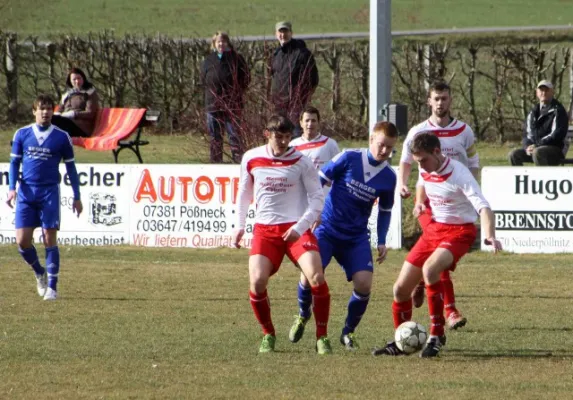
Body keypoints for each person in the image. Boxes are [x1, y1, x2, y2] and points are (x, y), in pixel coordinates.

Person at [373, 133, 502, 358]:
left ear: (436, 152)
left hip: (460, 232)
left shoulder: (459, 173)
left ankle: (436, 335)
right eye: (417, 162)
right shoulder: (425, 168)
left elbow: (483, 206)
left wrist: (489, 235)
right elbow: (422, 181)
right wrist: (421, 202)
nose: (420, 166)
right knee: (400, 290)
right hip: (433, 230)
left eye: (422, 160)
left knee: (430, 269)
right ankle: (401, 341)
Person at [288, 121, 398, 351]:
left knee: (364, 283)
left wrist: (381, 239)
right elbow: (319, 179)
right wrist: (314, 211)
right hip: (327, 229)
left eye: (389, 147)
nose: (385, 151)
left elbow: (385, 210)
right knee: (309, 276)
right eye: (381, 145)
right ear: (371, 140)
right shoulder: (348, 157)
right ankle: (302, 314)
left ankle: (348, 332)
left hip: (355, 237)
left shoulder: (389, 176)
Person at [232, 115, 332, 354]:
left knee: (317, 277)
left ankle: (322, 337)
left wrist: (300, 227)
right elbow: (244, 194)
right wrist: (239, 225)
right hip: (265, 231)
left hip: (296, 229)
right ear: (268, 134)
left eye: (288, 137)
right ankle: (268, 334)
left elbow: (318, 198)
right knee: (257, 282)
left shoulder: (302, 161)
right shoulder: (251, 157)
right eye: (279, 137)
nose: (284, 142)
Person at [398, 81, 480, 330]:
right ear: (429, 101)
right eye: (436, 98)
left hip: (455, 200)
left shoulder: (464, 131)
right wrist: (403, 185)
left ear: (450, 100)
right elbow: (405, 162)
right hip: (428, 201)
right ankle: (450, 310)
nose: (440, 103)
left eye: (444, 98)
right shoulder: (417, 131)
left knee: (436, 255)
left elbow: (474, 162)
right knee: (437, 250)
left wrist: (471, 190)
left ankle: (424, 282)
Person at [7, 94, 83, 301]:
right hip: (26, 192)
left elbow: (71, 168)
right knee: (22, 241)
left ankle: (52, 288)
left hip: (49, 192)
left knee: (49, 238)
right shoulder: (22, 134)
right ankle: (39, 272)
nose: (46, 112)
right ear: (34, 111)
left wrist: (77, 196)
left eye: (49, 108)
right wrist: (11, 188)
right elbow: (14, 163)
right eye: (42, 108)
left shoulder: (61, 136)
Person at [201, 31, 250, 164]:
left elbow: (245, 78)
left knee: (234, 135)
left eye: (223, 41)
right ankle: (216, 163)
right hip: (212, 105)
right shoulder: (209, 60)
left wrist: (236, 93)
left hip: (232, 104)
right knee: (215, 137)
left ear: (227, 43)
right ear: (214, 44)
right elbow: (203, 79)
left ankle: (238, 162)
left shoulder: (236, 59)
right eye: (218, 42)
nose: (221, 44)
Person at [271, 21, 319, 137]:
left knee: (296, 132)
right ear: (276, 34)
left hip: (296, 101)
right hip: (280, 102)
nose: (283, 35)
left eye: (285, 32)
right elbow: (273, 76)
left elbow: (313, 78)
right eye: (280, 32)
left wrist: (303, 96)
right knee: (281, 132)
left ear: (291, 33)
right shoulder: (276, 55)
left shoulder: (302, 53)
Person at [508, 80, 569, 166]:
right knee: (514, 154)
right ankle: (522, 178)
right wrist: (527, 147)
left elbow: (556, 135)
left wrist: (537, 145)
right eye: (541, 90)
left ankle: (544, 178)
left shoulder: (559, 111)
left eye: (546, 90)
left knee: (538, 152)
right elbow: (527, 135)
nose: (543, 93)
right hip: (536, 147)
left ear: (552, 92)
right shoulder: (532, 112)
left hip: (555, 149)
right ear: (537, 93)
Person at [51, 67, 100, 138]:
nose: (77, 81)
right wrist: (57, 114)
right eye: (74, 79)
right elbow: (60, 109)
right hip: (65, 122)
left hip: (81, 127)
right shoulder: (67, 94)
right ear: (70, 81)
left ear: (83, 78)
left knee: (55, 122)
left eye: (79, 78)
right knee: (48, 119)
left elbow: (90, 113)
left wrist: (74, 114)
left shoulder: (89, 93)